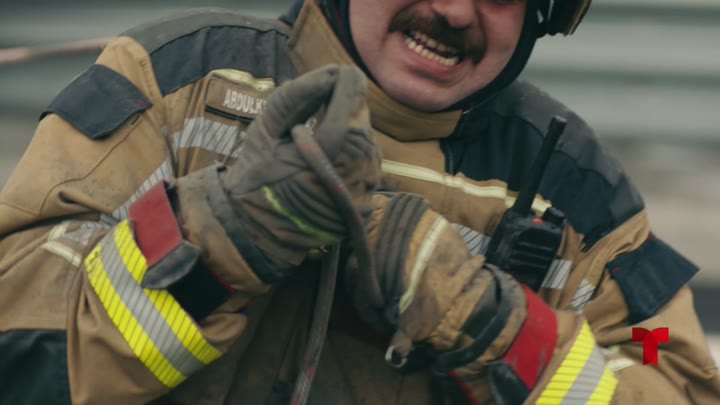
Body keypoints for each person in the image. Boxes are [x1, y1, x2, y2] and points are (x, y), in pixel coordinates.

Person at [0, 0, 718, 404]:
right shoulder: (176, 87)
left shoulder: (581, 202)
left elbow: (673, 381)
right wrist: (225, 234)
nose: (452, 9)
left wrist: (492, 322)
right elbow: (19, 340)